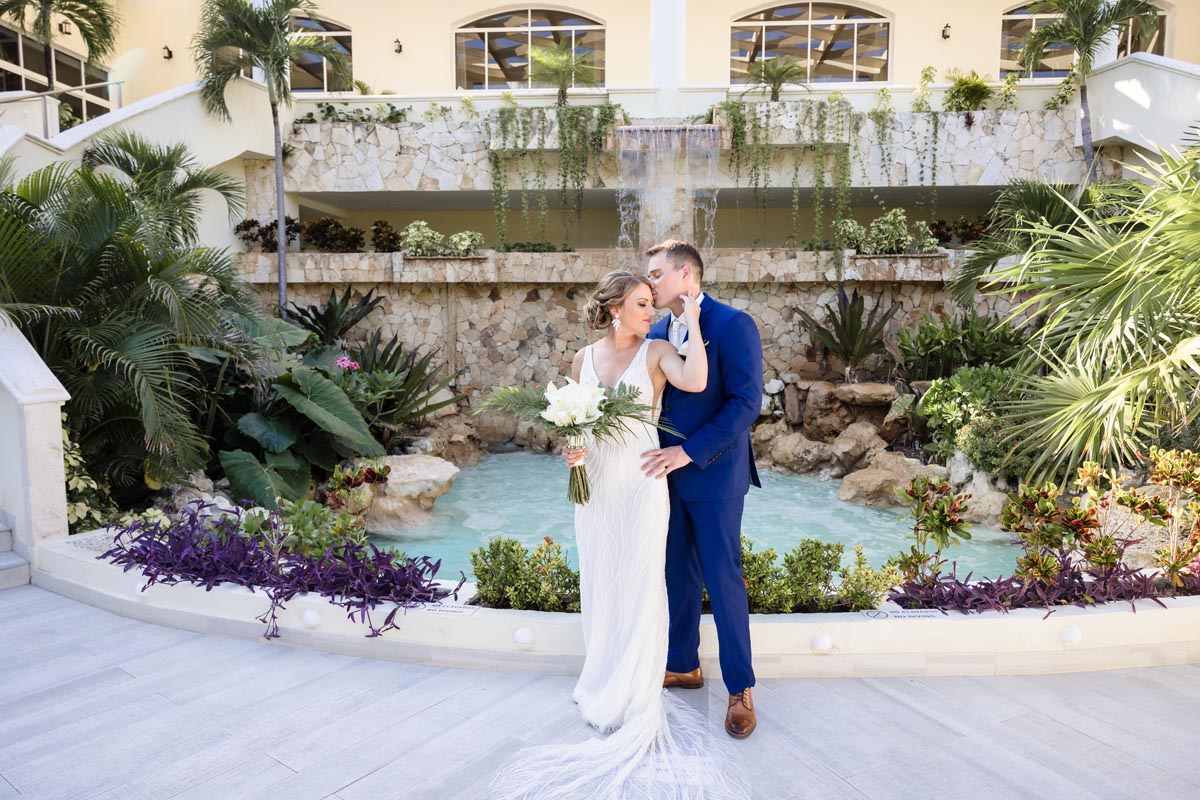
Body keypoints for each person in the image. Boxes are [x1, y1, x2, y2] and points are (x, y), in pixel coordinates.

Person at [488, 271, 747, 800]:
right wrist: (572, 449)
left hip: (642, 481)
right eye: (641, 304)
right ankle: (603, 676)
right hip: (596, 484)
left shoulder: (656, 352)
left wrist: (692, 322)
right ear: (613, 309)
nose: (650, 311)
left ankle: (635, 689)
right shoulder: (583, 358)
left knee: (641, 579)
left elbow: (696, 380)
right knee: (602, 576)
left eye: (652, 303)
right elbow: (574, 422)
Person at [642, 240, 762, 740]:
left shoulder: (733, 324)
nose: (649, 283)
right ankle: (683, 663)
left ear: (686, 273)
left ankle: (740, 688)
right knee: (676, 572)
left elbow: (744, 403)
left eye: (656, 274)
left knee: (722, 577)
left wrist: (688, 452)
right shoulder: (654, 329)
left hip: (714, 473)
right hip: (663, 476)